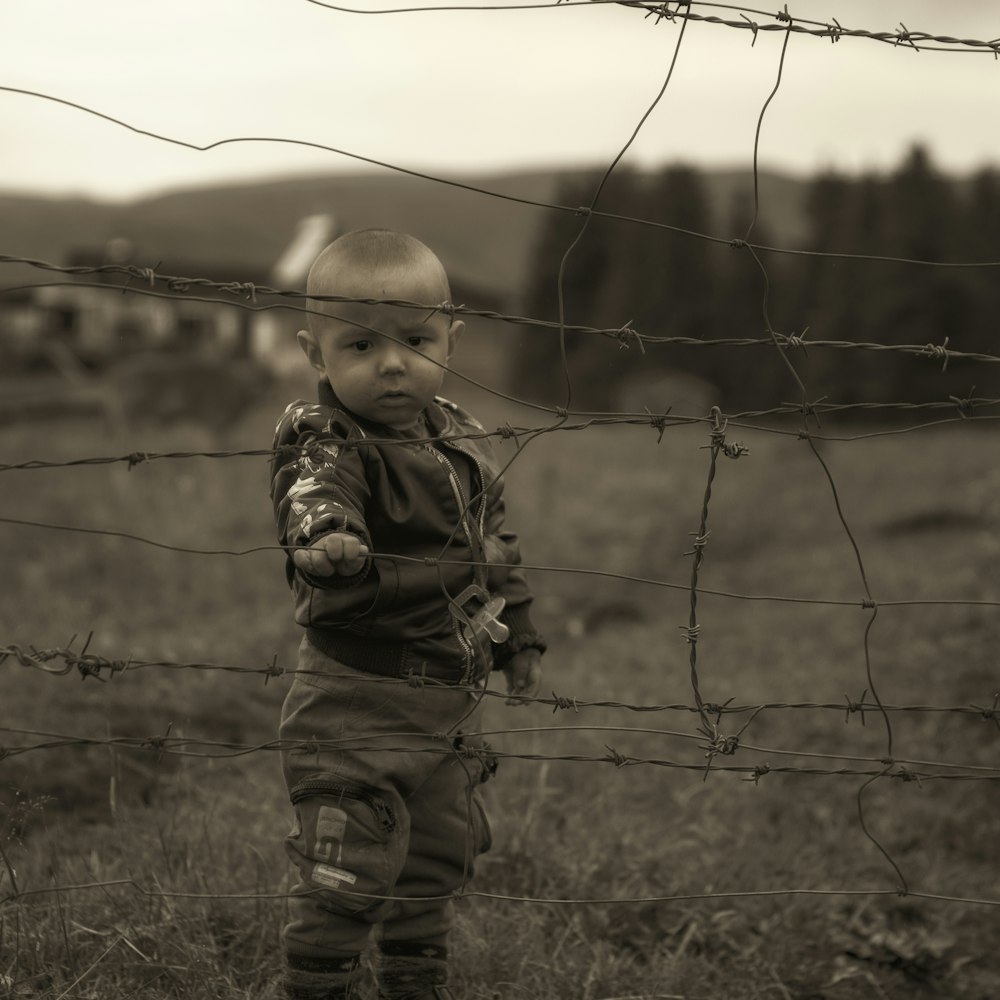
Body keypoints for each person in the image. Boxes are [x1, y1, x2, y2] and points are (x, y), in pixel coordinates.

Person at [269, 230, 546, 1000]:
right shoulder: (326, 436)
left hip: (449, 698)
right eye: (360, 344)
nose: (393, 363)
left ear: (451, 336)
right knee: (347, 864)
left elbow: (496, 543)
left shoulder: (458, 433)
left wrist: (518, 631)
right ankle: (316, 984)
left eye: (417, 340)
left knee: (436, 856)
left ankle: (415, 980)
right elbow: (314, 491)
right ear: (316, 355)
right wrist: (326, 537)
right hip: (357, 695)